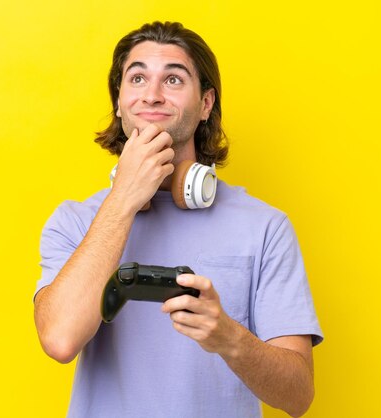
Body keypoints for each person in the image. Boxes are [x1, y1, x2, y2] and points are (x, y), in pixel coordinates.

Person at [33, 21, 323, 418]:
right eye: (137, 78)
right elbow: (60, 340)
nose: (152, 95)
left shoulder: (265, 228)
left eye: (173, 79)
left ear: (206, 104)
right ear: (119, 102)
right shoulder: (75, 222)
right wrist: (123, 201)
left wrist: (228, 337)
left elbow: (298, 395)